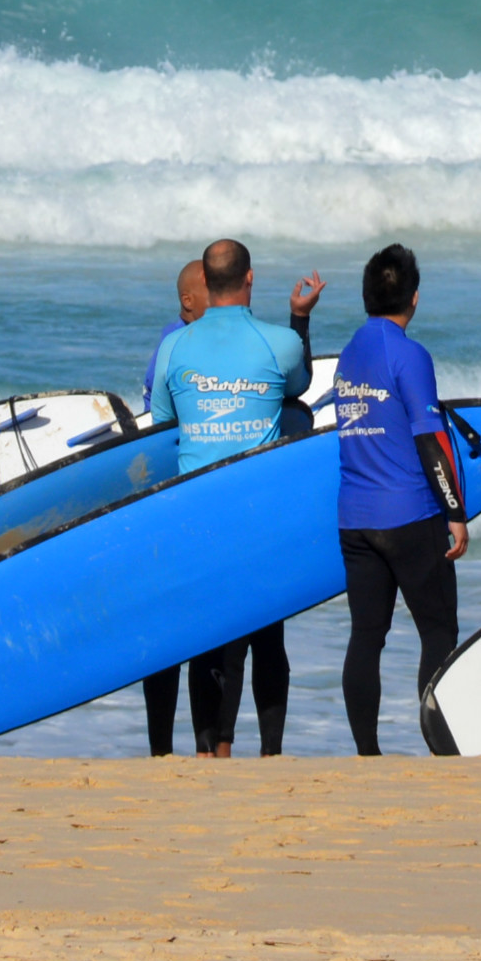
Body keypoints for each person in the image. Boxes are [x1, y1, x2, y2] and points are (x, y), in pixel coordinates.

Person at [143, 238, 323, 757]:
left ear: (206, 282)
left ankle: (206, 753)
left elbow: (162, 429)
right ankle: (270, 755)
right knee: (268, 638)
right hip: (260, 516)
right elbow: (300, 386)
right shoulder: (278, 343)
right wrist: (299, 318)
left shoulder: (174, 348)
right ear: (249, 279)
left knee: (206, 640)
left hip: (196, 516)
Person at [330, 244, 468, 756]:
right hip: (409, 514)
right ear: (414, 298)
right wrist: (455, 513)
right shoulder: (409, 354)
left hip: (355, 518)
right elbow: (430, 439)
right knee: (438, 630)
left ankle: (367, 754)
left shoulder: (349, 354)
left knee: (367, 634)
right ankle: (441, 747)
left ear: (367, 296)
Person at [137, 258, 211, 758]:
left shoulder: (202, 342)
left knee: (196, 635)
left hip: (185, 505)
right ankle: (163, 749)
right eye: (212, 287)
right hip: (170, 507)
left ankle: (195, 747)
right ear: (189, 301)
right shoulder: (175, 344)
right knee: (172, 638)